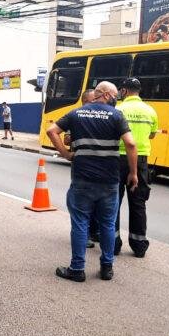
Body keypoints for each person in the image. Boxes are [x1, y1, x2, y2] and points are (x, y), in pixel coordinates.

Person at [46, 81, 138, 282]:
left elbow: (52, 131)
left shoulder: (76, 114)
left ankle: (77, 269)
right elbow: (131, 143)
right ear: (105, 94)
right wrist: (133, 172)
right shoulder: (116, 115)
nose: (116, 99)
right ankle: (106, 267)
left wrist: (65, 154)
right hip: (109, 181)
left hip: (82, 179)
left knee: (80, 223)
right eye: (114, 95)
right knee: (107, 224)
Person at [114, 78, 158, 258]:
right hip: (140, 161)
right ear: (139, 91)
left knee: (114, 202)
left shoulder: (119, 110)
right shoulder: (150, 111)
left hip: (118, 159)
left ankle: (114, 243)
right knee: (138, 203)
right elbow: (153, 135)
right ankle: (139, 244)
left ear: (124, 91)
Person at [63, 89, 96, 249]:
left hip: (98, 165)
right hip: (80, 164)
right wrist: (67, 154)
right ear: (84, 101)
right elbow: (66, 138)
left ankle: (93, 232)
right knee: (81, 201)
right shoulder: (75, 116)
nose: (94, 104)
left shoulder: (100, 116)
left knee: (97, 201)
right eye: (91, 101)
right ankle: (85, 235)